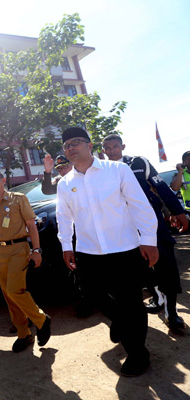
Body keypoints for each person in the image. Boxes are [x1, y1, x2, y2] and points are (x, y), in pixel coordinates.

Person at [56, 127, 158, 377]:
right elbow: (63, 217)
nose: (70, 148)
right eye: (66, 145)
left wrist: (149, 239)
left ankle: (138, 354)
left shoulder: (117, 171)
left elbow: (139, 205)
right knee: (92, 296)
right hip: (89, 252)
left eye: (75, 142)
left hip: (124, 248)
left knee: (132, 302)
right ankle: (121, 323)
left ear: (90, 145)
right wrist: (66, 245)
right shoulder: (65, 183)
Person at [102, 134, 187, 332]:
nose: (112, 151)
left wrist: (178, 211)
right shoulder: (101, 171)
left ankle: (171, 312)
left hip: (152, 222)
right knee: (141, 269)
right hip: (124, 228)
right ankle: (157, 298)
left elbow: (161, 186)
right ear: (103, 150)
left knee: (166, 264)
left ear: (122, 146)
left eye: (115, 146)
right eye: (108, 148)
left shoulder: (139, 163)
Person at [0, 169, 51, 353]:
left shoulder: (18, 199)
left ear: (3, 180)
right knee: (8, 295)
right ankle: (23, 333)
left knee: (15, 290)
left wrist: (36, 250)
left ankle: (41, 319)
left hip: (19, 249)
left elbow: (31, 225)